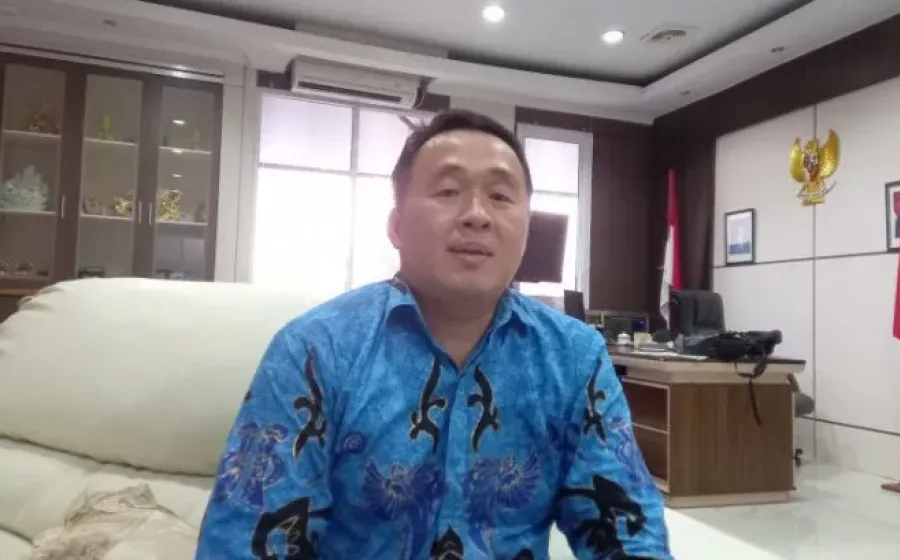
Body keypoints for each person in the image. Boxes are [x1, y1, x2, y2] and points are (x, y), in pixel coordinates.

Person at [196, 109, 671, 559]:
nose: (477, 215)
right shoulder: (314, 351)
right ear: (396, 225)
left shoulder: (574, 356)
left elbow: (627, 529)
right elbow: (250, 539)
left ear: (526, 230)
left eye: (500, 196)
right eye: (448, 191)